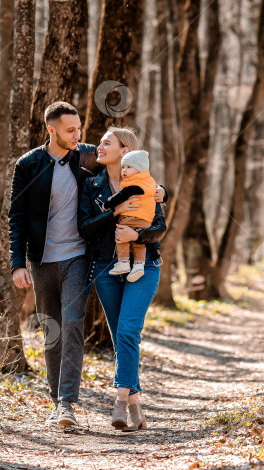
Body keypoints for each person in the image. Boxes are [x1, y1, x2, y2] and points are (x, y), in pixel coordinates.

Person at [9, 102, 98, 427]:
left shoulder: (87, 156)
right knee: (53, 330)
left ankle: (66, 405)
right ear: (52, 130)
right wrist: (18, 263)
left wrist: (157, 191)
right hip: (42, 261)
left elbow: (125, 168)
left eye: (79, 129)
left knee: (73, 325)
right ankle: (55, 399)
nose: (78, 135)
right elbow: (15, 217)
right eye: (70, 130)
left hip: (78, 256)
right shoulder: (29, 165)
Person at [77, 127, 166, 431]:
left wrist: (136, 234)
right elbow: (85, 228)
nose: (99, 147)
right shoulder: (93, 185)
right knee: (120, 336)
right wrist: (115, 212)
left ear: (125, 149)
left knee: (128, 330)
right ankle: (136, 406)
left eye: (106, 143)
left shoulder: (149, 185)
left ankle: (118, 402)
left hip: (145, 264)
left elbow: (159, 227)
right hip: (106, 267)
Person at [105, 150, 157, 283]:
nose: (124, 170)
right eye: (123, 167)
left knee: (121, 236)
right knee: (139, 244)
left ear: (139, 169)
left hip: (132, 218)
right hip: (145, 220)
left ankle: (123, 262)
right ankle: (139, 266)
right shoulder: (149, 182)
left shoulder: (134, 184)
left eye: (129, 167)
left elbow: (121, 196)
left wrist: (108, 203)